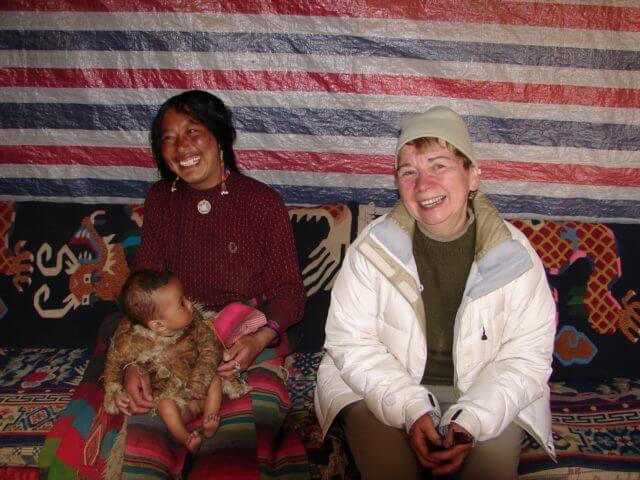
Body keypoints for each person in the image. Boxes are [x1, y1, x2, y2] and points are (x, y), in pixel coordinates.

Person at [314, 106, 556, 479]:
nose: (422, 185)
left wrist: (472, 419)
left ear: (473, 175)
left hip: (484, 391)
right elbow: (350, 343)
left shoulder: (515, 256)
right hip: (383, 384)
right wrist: (411, 409)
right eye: (408, 172)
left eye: (439, 166)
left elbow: (527, 357)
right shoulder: (372, 249)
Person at [104, 269, 246, 454]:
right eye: (181, 304)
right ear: (158, 324)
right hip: (177, 402)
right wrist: (114, 390)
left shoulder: (195, 325)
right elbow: (113, 363)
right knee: (165, 405)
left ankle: (210, 419)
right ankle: (186, 438)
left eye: (185, 298)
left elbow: (210, 348)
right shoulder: (131, 340)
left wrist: (198, 383)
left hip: (200, 392)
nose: (190, 303)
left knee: (216, 381)